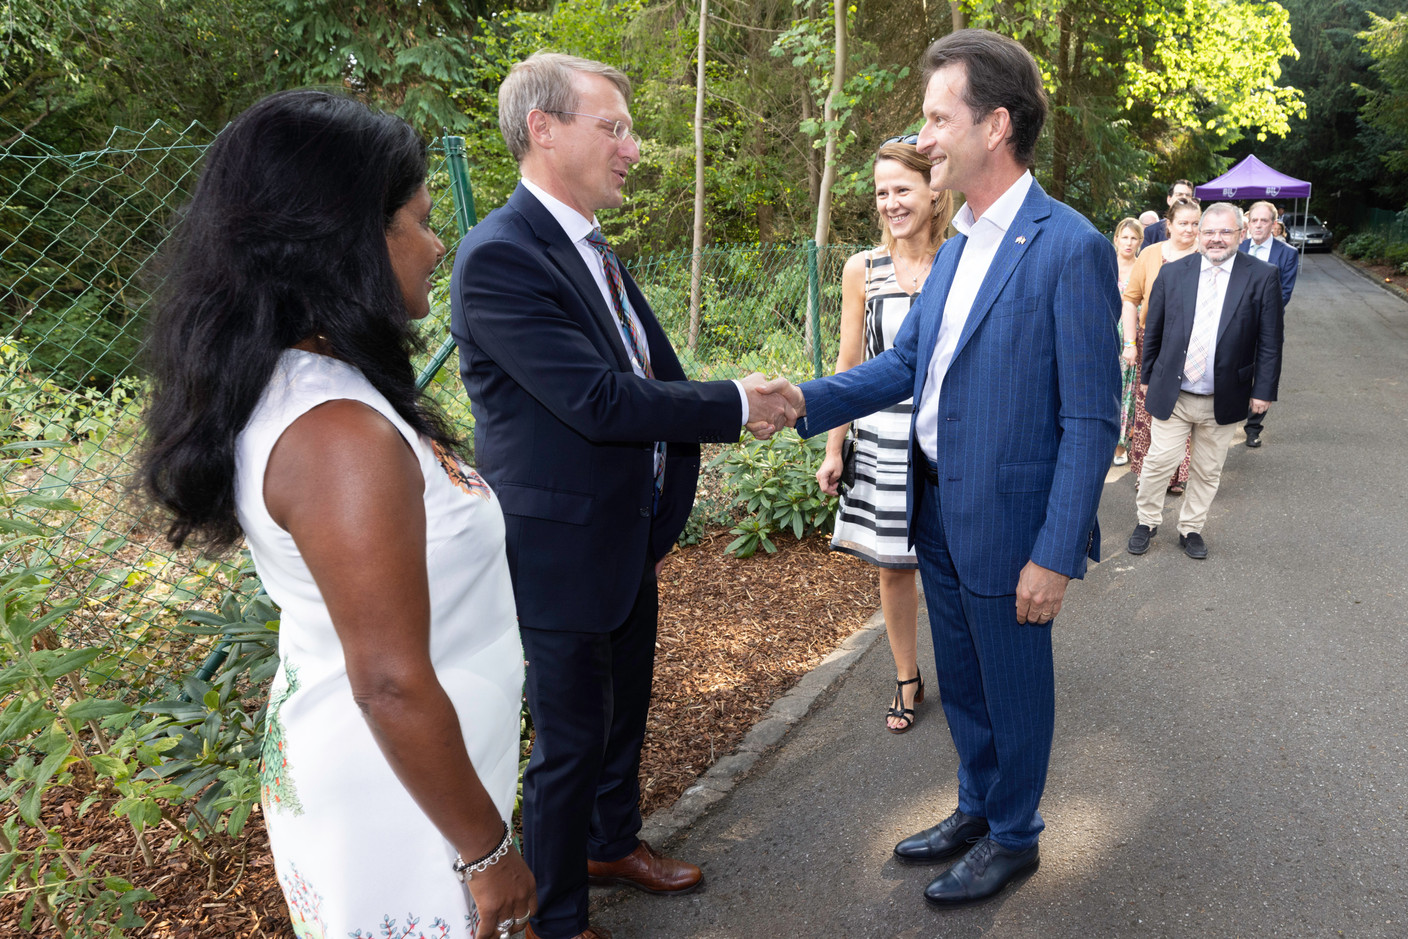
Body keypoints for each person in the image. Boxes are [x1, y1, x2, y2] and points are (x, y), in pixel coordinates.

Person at [137, 90, 536, 939]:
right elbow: (388, 679)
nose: (437, 246)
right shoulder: (335, 435)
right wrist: (486, 851)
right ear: (346, 240)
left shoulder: (315, 386)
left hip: (416, 784)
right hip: (404, 811)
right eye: (418, 221)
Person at [770, 28, 1119, 908]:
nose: (923, 136)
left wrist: (1055, 552)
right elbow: (903, 366)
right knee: (962, 682)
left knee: (1014, 688)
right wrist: (800, 400)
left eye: (937, 116)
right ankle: (976, 805)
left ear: (995, 125)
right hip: (933, 508)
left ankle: (1015, 836)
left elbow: (1091, 418)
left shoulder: (1067, 246)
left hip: (1011, 528)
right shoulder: (960, 239)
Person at [447, 52, 792, 939]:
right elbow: (600, 402)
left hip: (620, 533)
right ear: (543, 129)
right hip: (558, 547)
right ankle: (555, 918)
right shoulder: (500, 257)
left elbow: (649, 372)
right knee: (566, 743)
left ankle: (611, 843)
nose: (634, 148)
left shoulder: (589, 249)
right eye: (615, 127)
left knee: (621, 710)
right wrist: (737, 404)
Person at [815, 136, 953, 734]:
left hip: (949, 439)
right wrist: (833, 444)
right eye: (881, 192)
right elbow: (851, 364)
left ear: (934, 190)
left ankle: (967, 675)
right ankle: (906, 675)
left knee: (954, 566)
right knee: (896, 568)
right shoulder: (861, 269)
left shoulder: (962, 256)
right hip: (881, 438)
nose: (891, 202)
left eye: (902, 189)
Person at [1127, 203, 1284, 559]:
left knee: (1208, 469)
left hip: (1224, 395)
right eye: (1209, 232)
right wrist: (1148, 375)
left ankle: (1191, 528)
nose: (1216, 239)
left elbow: (1271, 340)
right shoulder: (1173, 273)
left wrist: (1263, 391)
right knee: (1158, 462)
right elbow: (1154, 330)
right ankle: (1147, 521)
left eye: (1225, 232)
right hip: (1175, 392)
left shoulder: (1262, 275)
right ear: (1199, 234)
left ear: (1240, 235)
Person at [1121, 198, 1200, 492]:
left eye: (1195, 223)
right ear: (1169, 225)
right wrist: (1130, 343)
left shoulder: (1206, 256)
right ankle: (1146, 473)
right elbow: (1131, 300)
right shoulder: (1151, 254)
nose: (1189, 229)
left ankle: (1177, 475)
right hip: (1150, 341)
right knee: (1149, 410)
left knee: (1184, 408)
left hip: (1192, 344)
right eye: (1183, 223)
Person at [1239, 200, 1299, 448]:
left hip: (1266, 325)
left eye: (1265, 221)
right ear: (1248, 223)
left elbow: (1283, 294)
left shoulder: (1287, 254)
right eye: (1254, 220)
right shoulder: (1237, 247)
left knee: (1263, 372)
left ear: (1274, 225)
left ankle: (1253, 428)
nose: (1259, 225)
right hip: (1235, 325)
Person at [1112, 217, 1144, 466]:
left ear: (1140, 241)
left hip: (1129, 337)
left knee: (1125, 390)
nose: (1128, 242)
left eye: (1134, 238)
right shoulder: (1106, 264)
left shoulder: (1141, 266)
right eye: (1125, 237)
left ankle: (1121, 444)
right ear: (1116, 239)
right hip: (1103, 333)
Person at [1140, 179, 1197, 247]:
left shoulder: (1198, 231)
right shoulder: (1152, 232)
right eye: (1179, 195)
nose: (1184, 198)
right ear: (1169, 199)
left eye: (1188, 195)